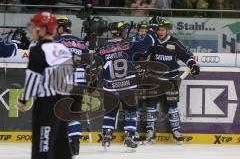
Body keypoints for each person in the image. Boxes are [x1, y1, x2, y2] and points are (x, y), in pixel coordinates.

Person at [17, 12, 72, 159]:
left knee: (43, 145)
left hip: (47, 103)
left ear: (42, 30)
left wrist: (24, 99)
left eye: (34, 27)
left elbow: (33, 78)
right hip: (65, 102)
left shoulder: (38, 50)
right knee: (61, 146)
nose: (31, 30)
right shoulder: (64, 50)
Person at [97, 21, 154, 151]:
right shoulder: (128, 43)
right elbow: (146, 44)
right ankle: (129, 136)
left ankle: (106, 134)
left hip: (109, 85)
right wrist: (151, 31)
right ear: (123, 31)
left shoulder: (104, 46)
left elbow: (96, 63)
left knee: (110, 111)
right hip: (126, 84)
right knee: (131, 111)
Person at [146, 16, 200, 144]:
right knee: (151, 106)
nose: (161, 32)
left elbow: (187, 54)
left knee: (172, 106)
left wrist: (192, 64)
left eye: (163, 30)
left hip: (170, 80)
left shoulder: (175, 43)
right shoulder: (151, 42)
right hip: (154, 79)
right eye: (159, 29)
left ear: (167, 30)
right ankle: (150, 131)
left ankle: (176, 131)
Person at [55, 15, 89, 157]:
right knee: (75, 114)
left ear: (61, 28)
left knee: (60, 113)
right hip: (79, 83)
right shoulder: (81, 42)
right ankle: (75, 143)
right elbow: (88, 63)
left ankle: (60, 143)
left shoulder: (56, 41)